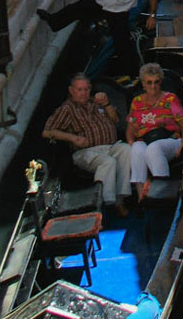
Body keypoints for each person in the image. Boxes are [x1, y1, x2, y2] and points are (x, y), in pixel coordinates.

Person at [42, 72, 131, 218]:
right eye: (80, 90)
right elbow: (46, 132)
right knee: (107, 163)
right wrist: (72, 137)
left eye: (86, 89)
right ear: (71, 91)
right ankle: (104, 205)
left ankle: (120, 199)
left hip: (110, 146)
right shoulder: (67, 109)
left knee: (127, 150)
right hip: (85, 152)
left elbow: (115, 120)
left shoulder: (96, 103)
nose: (84, 93)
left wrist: (107, 104)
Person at [126, 62, 183, 199]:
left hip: (171, 140)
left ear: (161, 82)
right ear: (143, 84)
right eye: (149, 83)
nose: (153, 86)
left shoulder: (171, 99)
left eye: (156, 82)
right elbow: (130, 129)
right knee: (137, 148)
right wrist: (130, 142)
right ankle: (141, 197)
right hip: (146, 139)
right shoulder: (137, 102)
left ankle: (162, 194)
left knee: (153, 149)